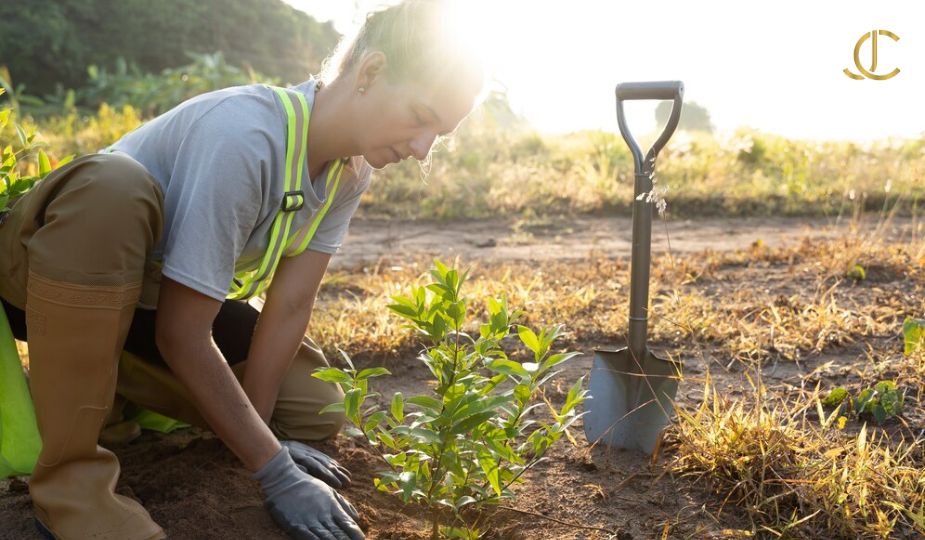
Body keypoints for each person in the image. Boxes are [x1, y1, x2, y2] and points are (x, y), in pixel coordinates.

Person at [0, 0, 485, 538]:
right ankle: (70, 494)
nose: (422, 149)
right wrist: (276, 472)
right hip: (53, 267)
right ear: (370, 71)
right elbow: (183, 333)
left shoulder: (348, 174)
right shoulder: (247, 136)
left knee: (313, 406)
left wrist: (260, 443)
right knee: (118, 184)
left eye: (439, 135)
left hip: (146, 298)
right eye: (421, 118)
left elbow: (291, 305)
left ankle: (111, 393)